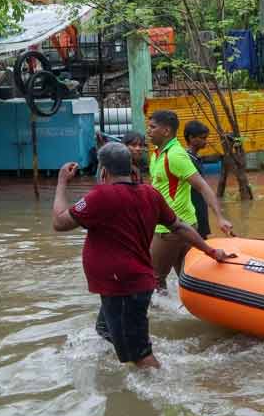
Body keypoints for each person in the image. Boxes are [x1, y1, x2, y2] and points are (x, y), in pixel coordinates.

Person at [51, 143, 232, 368]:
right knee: (104, 330)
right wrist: (211, 251)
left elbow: (59, 222)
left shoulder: (101, 196)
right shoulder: (150, 194)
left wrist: (61, 184)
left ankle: (161, 387)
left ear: (103, 171)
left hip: (123, 287)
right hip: (128, 284)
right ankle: (134, 350)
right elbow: (180, 226)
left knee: (141, 357)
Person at [147, 111, 233, 293]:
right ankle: (187, 312)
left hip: (169, 229)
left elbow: (203, 186)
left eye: (152, 127)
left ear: (166, 131)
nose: (149, 131)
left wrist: (220, 217)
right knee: (187, 278)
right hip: (184, 226)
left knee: (152, 278)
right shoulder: (156, 154)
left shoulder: (175, 156)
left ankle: (159, 318)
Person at [184, 120, 212, 239]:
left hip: (199, 206)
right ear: (191, 138)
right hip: (193, 208)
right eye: (202, 138)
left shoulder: (195, 158)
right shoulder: (187, 160)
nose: (206, 141)